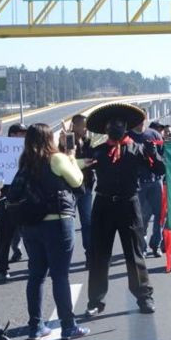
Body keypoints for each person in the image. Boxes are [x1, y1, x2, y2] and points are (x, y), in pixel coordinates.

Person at [12, 123, 90, 340]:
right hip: (57, 223)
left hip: (30, 225)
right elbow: (78, 180)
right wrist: (72, 156)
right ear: (49, 139)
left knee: (36, 275)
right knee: (60, 275)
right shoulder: (56, 158)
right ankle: (68, 326)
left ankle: (35, 326)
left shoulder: (24, 162)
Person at [82, 111, 164, 316]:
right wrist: (81, 155)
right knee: (100, 255)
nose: (115, 127)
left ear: (126, 126)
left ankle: (144, 297)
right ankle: (95, 301)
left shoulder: (138, 149)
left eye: (119, 123)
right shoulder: (98, 151)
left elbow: (159, 169)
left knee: (134, 253)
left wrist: (154, 154)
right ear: (105, 129)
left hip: (129, 204)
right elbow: (80, 175)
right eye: (111, 124)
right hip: (103, 204)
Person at [0, 123, 28, 284]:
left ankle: (37, 265)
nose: (23, 136)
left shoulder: (30, 152)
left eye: (24, 134)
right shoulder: (1, 150)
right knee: (4, 237)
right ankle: (1, 269)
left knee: (30, 236)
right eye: (20, 133)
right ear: (12, 135)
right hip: (7, 199)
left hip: (26, 200)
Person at [67, 114, 96, 266]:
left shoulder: (88, 141)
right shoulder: (66, 141)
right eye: (83, 126)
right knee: (68, 223)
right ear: (75, 125)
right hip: (70, 189)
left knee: (88, 222)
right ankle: (65, 257)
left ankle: (90, 255)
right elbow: (66, 161)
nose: (86, 129)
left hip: (86, 187)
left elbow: (92, 160)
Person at [136, 122, 169, 256]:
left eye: (142, 119)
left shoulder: (153, 134)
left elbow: (163, 156)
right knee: (141, 218)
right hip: (139, 184)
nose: (141, 122)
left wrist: (154, 152)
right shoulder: (129, 136)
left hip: (155, 181)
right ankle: (142, 247)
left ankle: (156, 245)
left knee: (161, 215)